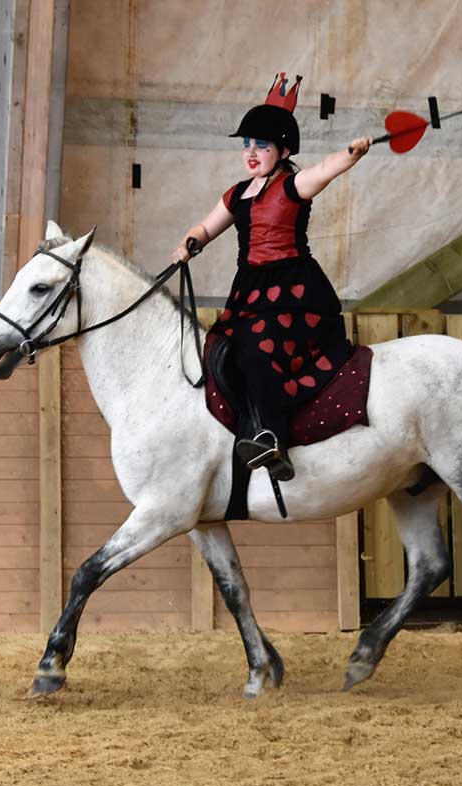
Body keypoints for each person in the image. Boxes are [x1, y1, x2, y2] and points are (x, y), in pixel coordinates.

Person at [173, 73, 371, 481]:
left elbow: (325, 169)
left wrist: (351, 154)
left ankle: (271, 439)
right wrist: (190, 243)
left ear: (283, 151)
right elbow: (206, 227)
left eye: (261, 146)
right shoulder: (237, 194)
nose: (251, 152)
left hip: (295, 293)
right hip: (250, 292)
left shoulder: (293, 185)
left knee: (257, 348)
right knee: (222, 346)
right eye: (247, 144)